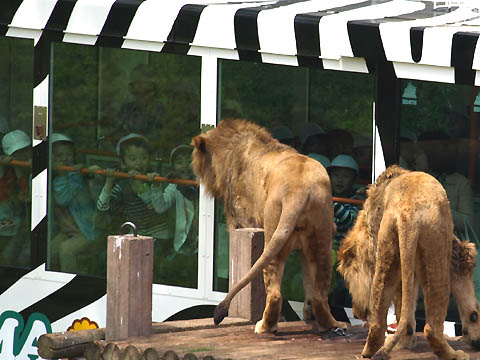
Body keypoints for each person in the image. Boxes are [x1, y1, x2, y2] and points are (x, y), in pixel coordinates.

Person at [49, 133, 99, 273]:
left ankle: (69, 289)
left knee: (66, 250)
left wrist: (62, 175)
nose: (64, 159)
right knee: (50, 251)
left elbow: (62, 199)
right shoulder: (46, 176)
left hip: (86, 230)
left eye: (68, 155)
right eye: (59, 155)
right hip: (67, 230)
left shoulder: (74, 176)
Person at [416, 131, 474, 236]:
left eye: (420, 152)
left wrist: (439, 208)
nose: (416, 156)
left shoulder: (460, 183)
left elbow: (468, 223)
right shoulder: (413, 180)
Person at [327, 154, 363, 323]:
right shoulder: (325, 198)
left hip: (346, 261)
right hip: (325, 258)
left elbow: (349, 220)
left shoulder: (357, 201)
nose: (340, 180)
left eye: (345, 176)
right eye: (336, 176)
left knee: (344, 294)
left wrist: (329, 204)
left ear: (353, 179)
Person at [0, 130, 32, 265]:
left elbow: (27, 198)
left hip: (24, 222)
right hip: (7, 220)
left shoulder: (36, 167)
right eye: (17, 153)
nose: (22, 156)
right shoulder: (4, 169)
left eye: (25, 150)